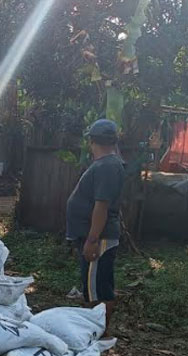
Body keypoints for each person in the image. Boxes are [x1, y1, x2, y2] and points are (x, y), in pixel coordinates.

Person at [66, 119, 126, 339]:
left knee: (96, 291)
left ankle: (98, 334)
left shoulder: (107, 166)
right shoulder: (108, 164)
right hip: (96, 236)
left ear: (91, 141)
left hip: (98, 237)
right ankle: (97, 332)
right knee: (99, 285)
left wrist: (92, 240)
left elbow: (101, 206)